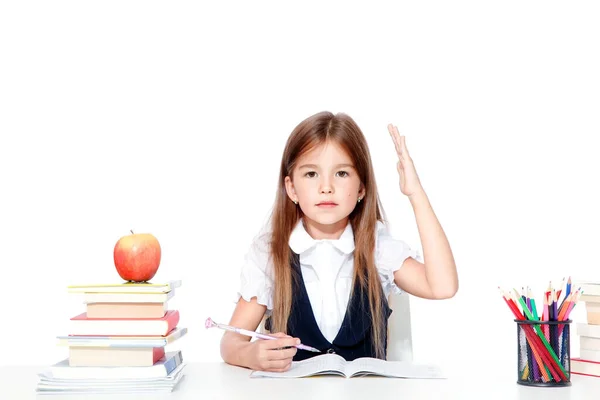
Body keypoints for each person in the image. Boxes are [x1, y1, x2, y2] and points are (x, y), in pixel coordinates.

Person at [220, 111, 458, 372]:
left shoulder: (377, 247)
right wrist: (250, 353)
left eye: (342, 174)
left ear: (361, 188)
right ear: (291, 189)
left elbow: (443, 286)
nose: (326, 187)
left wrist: (415, 193)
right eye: (311, 174)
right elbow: (231, 341)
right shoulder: (271, 252)